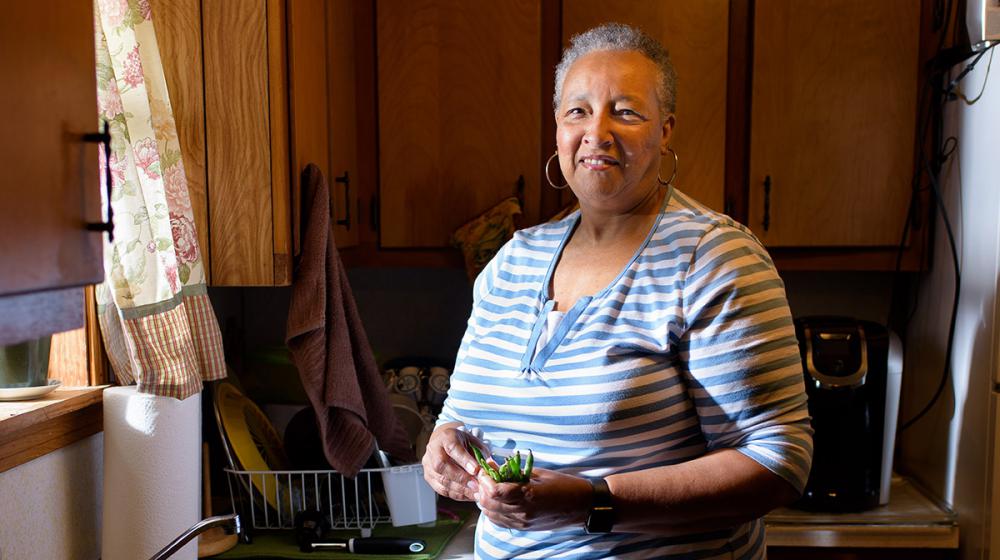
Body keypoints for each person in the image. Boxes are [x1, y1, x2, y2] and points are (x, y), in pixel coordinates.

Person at [422, 22, 812, 559]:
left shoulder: (714, 258)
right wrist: (444, 453)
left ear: (665, 131)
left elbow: (779, 462)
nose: (596, 132)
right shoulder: (511, 261)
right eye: (577, 111)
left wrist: (592, 501)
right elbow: (457, 421)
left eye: (625, 111)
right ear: (557, 128)